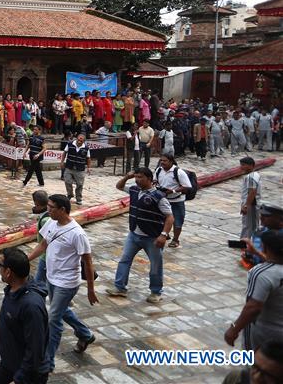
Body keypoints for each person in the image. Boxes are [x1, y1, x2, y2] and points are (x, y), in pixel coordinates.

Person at [27, 194, 99, 372]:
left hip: (67, 283)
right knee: (61, 310)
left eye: (52, 207)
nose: (48, 209)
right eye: (48, 206)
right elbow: (43, 245)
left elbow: (88, 262)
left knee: (53, 319)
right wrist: (26, 259)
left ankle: (47, 362)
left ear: (62, 210)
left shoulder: (77, 234)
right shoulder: (51, 223)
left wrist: (91, 289)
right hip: (51, 277)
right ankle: (85, 334)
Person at [104, 168, 173, 303]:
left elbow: (170, 217)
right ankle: (120, 287)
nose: (137, 180)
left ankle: (156, 291)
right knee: (124, 260)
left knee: (155, 265)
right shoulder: (134, 190)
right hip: (134, 234)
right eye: (136, 177)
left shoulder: (159, 197)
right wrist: (126, 177)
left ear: (149, 179)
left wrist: (163, 235)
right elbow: (119, 186)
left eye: (140, 177)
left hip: (152, 237)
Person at [0, 248, 50, 384]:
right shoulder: (12, 290)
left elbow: (35, 349)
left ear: (8, 272)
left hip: (28, 373)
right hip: (9, 364)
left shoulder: (31, 306)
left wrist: (19, 379)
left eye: (0, 264)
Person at [225, 230, 283, 352]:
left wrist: (234, 328)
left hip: (267, 332)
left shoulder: (261, 273)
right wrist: (256, 253)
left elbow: (253, 307)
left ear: (266, 247)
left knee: (257, 365)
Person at [153, 153, 191, 248]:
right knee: (160, 219)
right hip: (163, 200)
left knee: (177, 220)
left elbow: (187, 186)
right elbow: (155, 180)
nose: (162, 162)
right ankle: (165, 234)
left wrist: (173, 191)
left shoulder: (179, 172)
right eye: (161, 160)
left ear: (171, 161)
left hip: (177, 201)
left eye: (164, 161)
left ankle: (175, 239)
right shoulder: (158, 170)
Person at [60, 133, 91, 206]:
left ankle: (79, 198)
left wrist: (89, 168)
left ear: (83, 141)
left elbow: (88, 158)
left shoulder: (86, 148)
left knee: (79, 184)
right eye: (79, 138)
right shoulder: (70, 144)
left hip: (80, 169)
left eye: (81, 139)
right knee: (67, 181)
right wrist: (62, 162)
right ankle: (70, 194)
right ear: (77, 138)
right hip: (69, 166)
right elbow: (64, 152)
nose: (80, 140)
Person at [240, 156, 262, 240]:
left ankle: (246, 243)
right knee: (249, 225)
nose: (241, 167)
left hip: (252, 205)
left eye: (243, 165)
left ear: (250, 165)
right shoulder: (255, 175)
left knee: (249, 225)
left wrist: (246, 206)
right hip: (252, 204)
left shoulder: (250, 177)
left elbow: (252, 192)